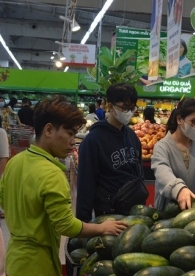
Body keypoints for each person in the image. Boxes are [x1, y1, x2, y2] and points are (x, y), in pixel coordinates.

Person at [0, 96, 127, 276]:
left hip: (14, 259)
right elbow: (66, 226)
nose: (73, 141)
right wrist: (102, 227)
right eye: (70, 133)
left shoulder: (15, 162)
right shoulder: (52, 174)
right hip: (38, 265)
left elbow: (4, 202)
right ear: (49, 130)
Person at [76, 83, 144, 222]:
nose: (129, 112)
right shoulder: (93, 141)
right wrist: (82, 227)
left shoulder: (131, 136)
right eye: (124, 108)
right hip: (108, 213)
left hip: (134, 209)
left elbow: (139, 170)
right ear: (110, 106)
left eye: (132, 108)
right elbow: (86, 184)